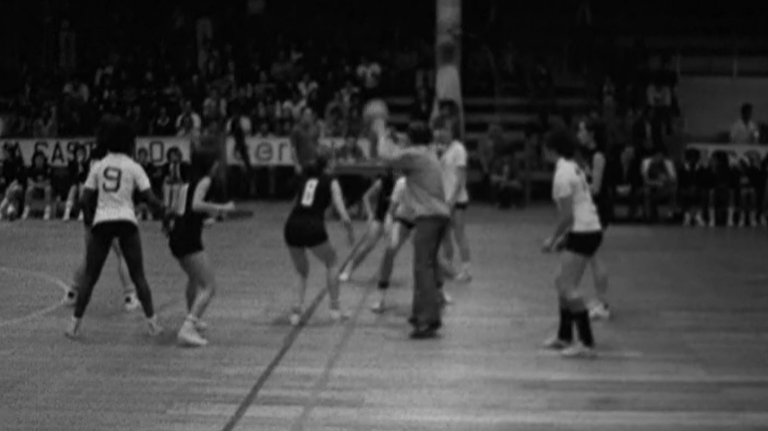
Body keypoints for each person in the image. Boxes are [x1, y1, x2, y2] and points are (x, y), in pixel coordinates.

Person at [65, 116, 168, 339]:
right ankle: (152, 324)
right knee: (138, 275)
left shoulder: (98, 166)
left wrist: (85, 216)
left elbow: (84, 199)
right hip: (126, 220)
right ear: (129, 143)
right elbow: (150, 199)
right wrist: (165, 211)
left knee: (90, 277)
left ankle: (74, 325)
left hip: (102, 221)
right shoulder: (134, 166)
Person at [377, 120, 451, 339]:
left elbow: (386, 156)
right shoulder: (427, 151)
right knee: (425, 266)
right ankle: (420, 314)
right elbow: (407, 143)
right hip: (438, 215)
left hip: (428, 216)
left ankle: (429, 319)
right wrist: (396, 135)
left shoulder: (415, 155)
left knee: (422, 268)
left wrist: (382, 134)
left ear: (413, 139)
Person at [167, 141, 236, 347]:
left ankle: (192, 317)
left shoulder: (188, 182)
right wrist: (221, 207)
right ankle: (188, 328)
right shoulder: (205, 181)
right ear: (210, 164)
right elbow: (196, 205)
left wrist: (206, 220)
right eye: (216, 162)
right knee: (209, 286)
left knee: (194, 279)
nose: (218, 166)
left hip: (177, 236)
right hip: (188, 239)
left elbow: (183, 211)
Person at [542, 128, 602, 358]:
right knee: (562, 282)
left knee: (567, 286)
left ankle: (585, 342)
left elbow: (567, 215)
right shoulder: (571, 167)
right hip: (586, 230)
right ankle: (564, 335)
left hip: (583, 232)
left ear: (551, 149)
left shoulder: (562, 175)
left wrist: (553, 239)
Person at [283, 149, 355, 327]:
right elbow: (342, 211)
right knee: (332, 261)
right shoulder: (331, 181)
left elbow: (295, 203)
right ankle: (335, 310)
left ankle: (296, 313)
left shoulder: (305, 179)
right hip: (313, 226)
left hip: (292, 225)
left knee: (301, 270)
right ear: (329, 164)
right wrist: (350, 230)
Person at [576, 121, 611, 320]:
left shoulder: (598, 156)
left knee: (595, 256)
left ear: (592, 133)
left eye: (582, 130)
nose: (579, 133)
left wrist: (575, 186)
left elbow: (595, 188)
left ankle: (603, 303)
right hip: (591, 209)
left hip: (598, 209)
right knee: (592, 257)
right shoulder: (588, 155)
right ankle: (599, 300)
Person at [338, 168, 396, 282]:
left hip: (395, 219)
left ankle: (384, 274)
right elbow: (366, 197)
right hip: (379, 218)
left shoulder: (407, 182)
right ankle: (348, 269)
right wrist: (369, 213)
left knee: (392, 247)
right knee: (367, 246)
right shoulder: (382, 182)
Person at [438, 119, 472, 282]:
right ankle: (448, 267)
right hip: (445, 199)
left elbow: (460, 179)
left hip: (457, 200)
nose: (443, 133)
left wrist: (452, 200)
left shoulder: (459, 149)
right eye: (442, 130)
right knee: (445, 236)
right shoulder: (445, 149)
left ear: (454, 132)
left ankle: (466, 270)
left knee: (459, 234)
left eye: (447, 130)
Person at [22, 152, 53, 220]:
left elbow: (48, 182)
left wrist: (37, 185)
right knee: (29, 189)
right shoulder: (31, 169)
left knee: (48, 189)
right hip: (35, 190)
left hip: (45, 190)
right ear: (34, 160)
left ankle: (47, 211)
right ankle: (26, 211)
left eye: (41, 159)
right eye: (37, 159)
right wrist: (37, 185)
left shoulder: (48, 169)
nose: (39, 161)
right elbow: (29, 181)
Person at [63, 145, 91, 221]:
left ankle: (82, 213)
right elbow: (72, 176)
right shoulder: (72, 163)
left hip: (84, 183)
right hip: (74, 183)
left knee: (82, 188)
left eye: (82, 153)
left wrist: (81, 164)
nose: (80, 154)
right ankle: (67, 213)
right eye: (78, 153)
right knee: (73, 188)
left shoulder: (87, 163)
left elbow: (86, 176)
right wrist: (78, 164)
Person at [0, 146, 25, 220]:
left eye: (4, 151)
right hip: (8, 189)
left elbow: (18, 179)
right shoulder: (4, 163)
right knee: (12, 199)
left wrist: (10, 187)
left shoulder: (18, 162)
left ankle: (1, 210)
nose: (3, 153)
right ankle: (11, 211)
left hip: (19, 187)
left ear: (9, 152)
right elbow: (4, 178)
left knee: (13, 190)